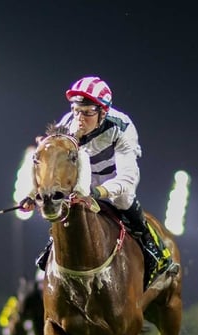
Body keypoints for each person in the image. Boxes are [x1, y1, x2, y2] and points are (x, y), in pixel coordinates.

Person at [19, 76, 176, 283]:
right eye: (76, 110)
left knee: (124, 200)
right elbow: (50, 163)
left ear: (103, 111)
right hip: (82, 178)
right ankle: (52, 247)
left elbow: (127, 178)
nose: (79, 119)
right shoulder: (67, 123)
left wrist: (97, 193)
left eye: (87, 112)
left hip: (115, 179)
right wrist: (34, 194)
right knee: (62, 210)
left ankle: (154, 250)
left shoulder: (122, 127)